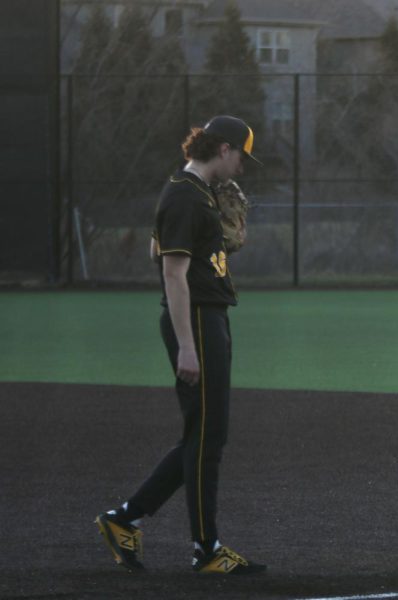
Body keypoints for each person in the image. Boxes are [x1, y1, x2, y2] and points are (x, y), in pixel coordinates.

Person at [94, 116, 266, 575]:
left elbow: (158, 251)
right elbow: (171, 272)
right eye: (241, 157)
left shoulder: (195, 192)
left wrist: (214, 246)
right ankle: (206, 550)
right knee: (208, 436)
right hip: (196, 323)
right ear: (223, 147)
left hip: (208, 318)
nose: (242, 169)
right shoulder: (185, 194)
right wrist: (188, 347)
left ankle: (125, 519)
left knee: (204, 434)